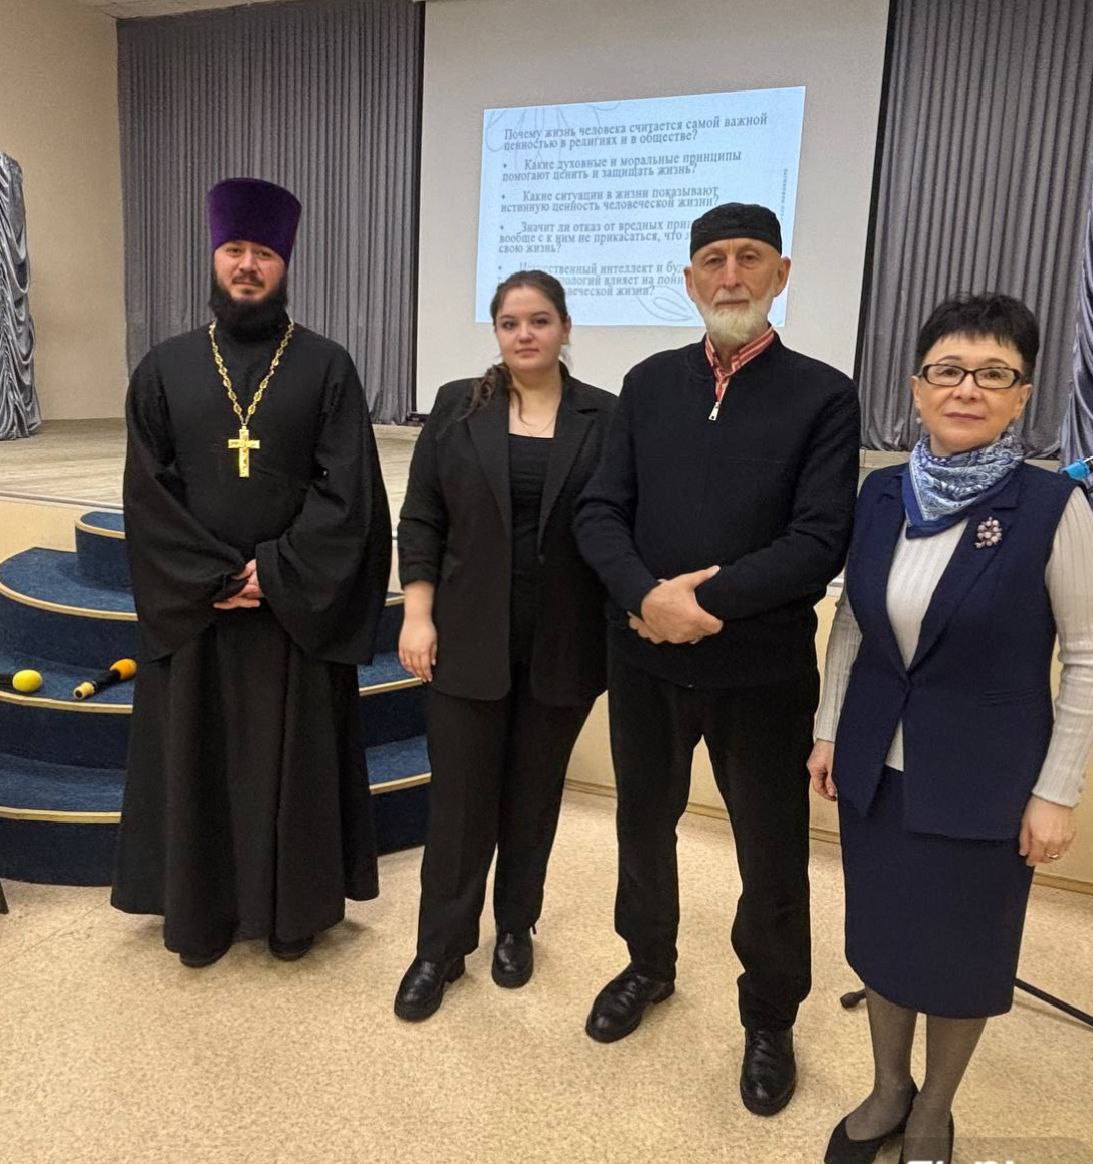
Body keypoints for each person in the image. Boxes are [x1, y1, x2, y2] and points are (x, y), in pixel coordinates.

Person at [810, 294, 1093, 1164]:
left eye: (992, 374)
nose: (966, 388)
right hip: (874, 766)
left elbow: (1089, 659)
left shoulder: (1051, 506)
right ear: (916, 388)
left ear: (1021, 396)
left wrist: (1056, 792)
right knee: (881, 938)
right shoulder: (880, 494)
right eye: (947, 370)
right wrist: (829, 729)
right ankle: (887, 1089)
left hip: (986, 778)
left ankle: (933, 1109)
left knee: (961, 954)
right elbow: (854, 623)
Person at [574, 204, 861, 1115]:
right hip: (643, 662)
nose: (729, 275)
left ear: (781, 273)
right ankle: (646, 966)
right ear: (689, 279)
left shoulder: (823, 395)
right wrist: (644, 598)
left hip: (761, 676)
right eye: (712, 260)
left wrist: (702, 604)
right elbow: (599, 512)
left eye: (748, 258)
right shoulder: (647, 383)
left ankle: (769, 1016)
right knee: (640, 828)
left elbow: (818, 539)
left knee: (770, 856)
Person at [112, 177, 392, 967]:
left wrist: (273, 572)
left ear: (284, 264)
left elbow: (351, 492)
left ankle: (292, 913)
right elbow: (147, 489)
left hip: (291, 609)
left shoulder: (326, 365)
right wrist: (211, 577)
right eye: (234, 249)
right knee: (197, 760)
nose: (246, 265)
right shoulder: (164, 367)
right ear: (214, 257)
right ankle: (199, 915)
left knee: (293, 762)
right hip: (199, 610)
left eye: (263, 252)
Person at [393, 270, 615, 1021]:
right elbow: (422, 516)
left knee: (533, 795)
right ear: (495, 331)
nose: (525, 334)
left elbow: (618, 525)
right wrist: (417, 614)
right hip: (465, 636)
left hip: (564, 641)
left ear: (564, 328)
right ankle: (440, 948)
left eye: (540, 320)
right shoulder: (460, 404)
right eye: (511, 322)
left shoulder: (604, 415)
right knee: (459, 802)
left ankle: (516, 925)